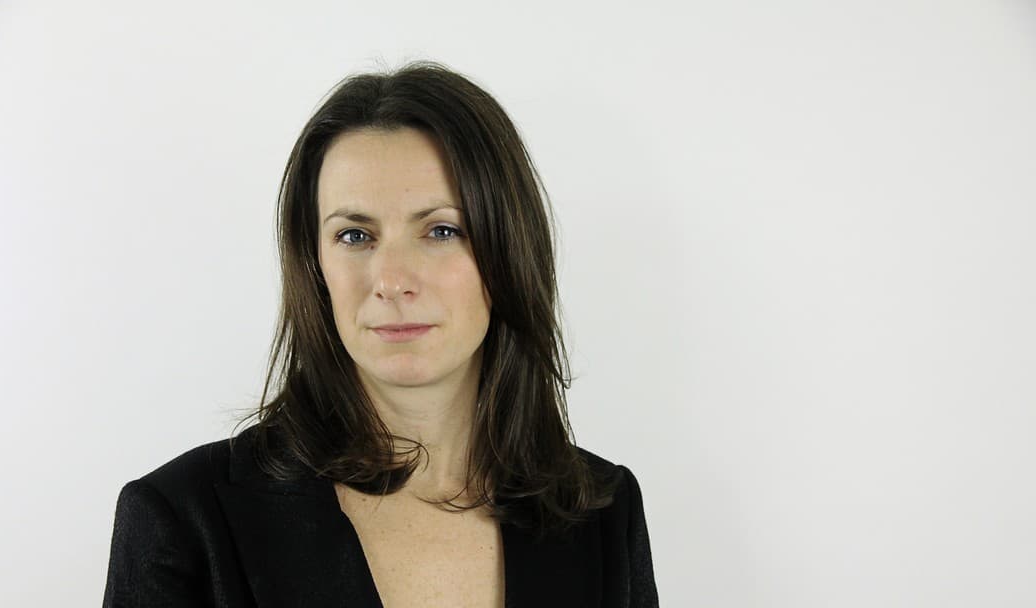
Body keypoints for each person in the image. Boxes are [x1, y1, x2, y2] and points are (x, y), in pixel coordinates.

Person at [102, 60, 659, 607]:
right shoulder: (181, 521)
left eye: (442, 230)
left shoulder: (602, 513)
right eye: (354, 235)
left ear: (509, 250)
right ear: (315, 265)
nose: (392, 281)